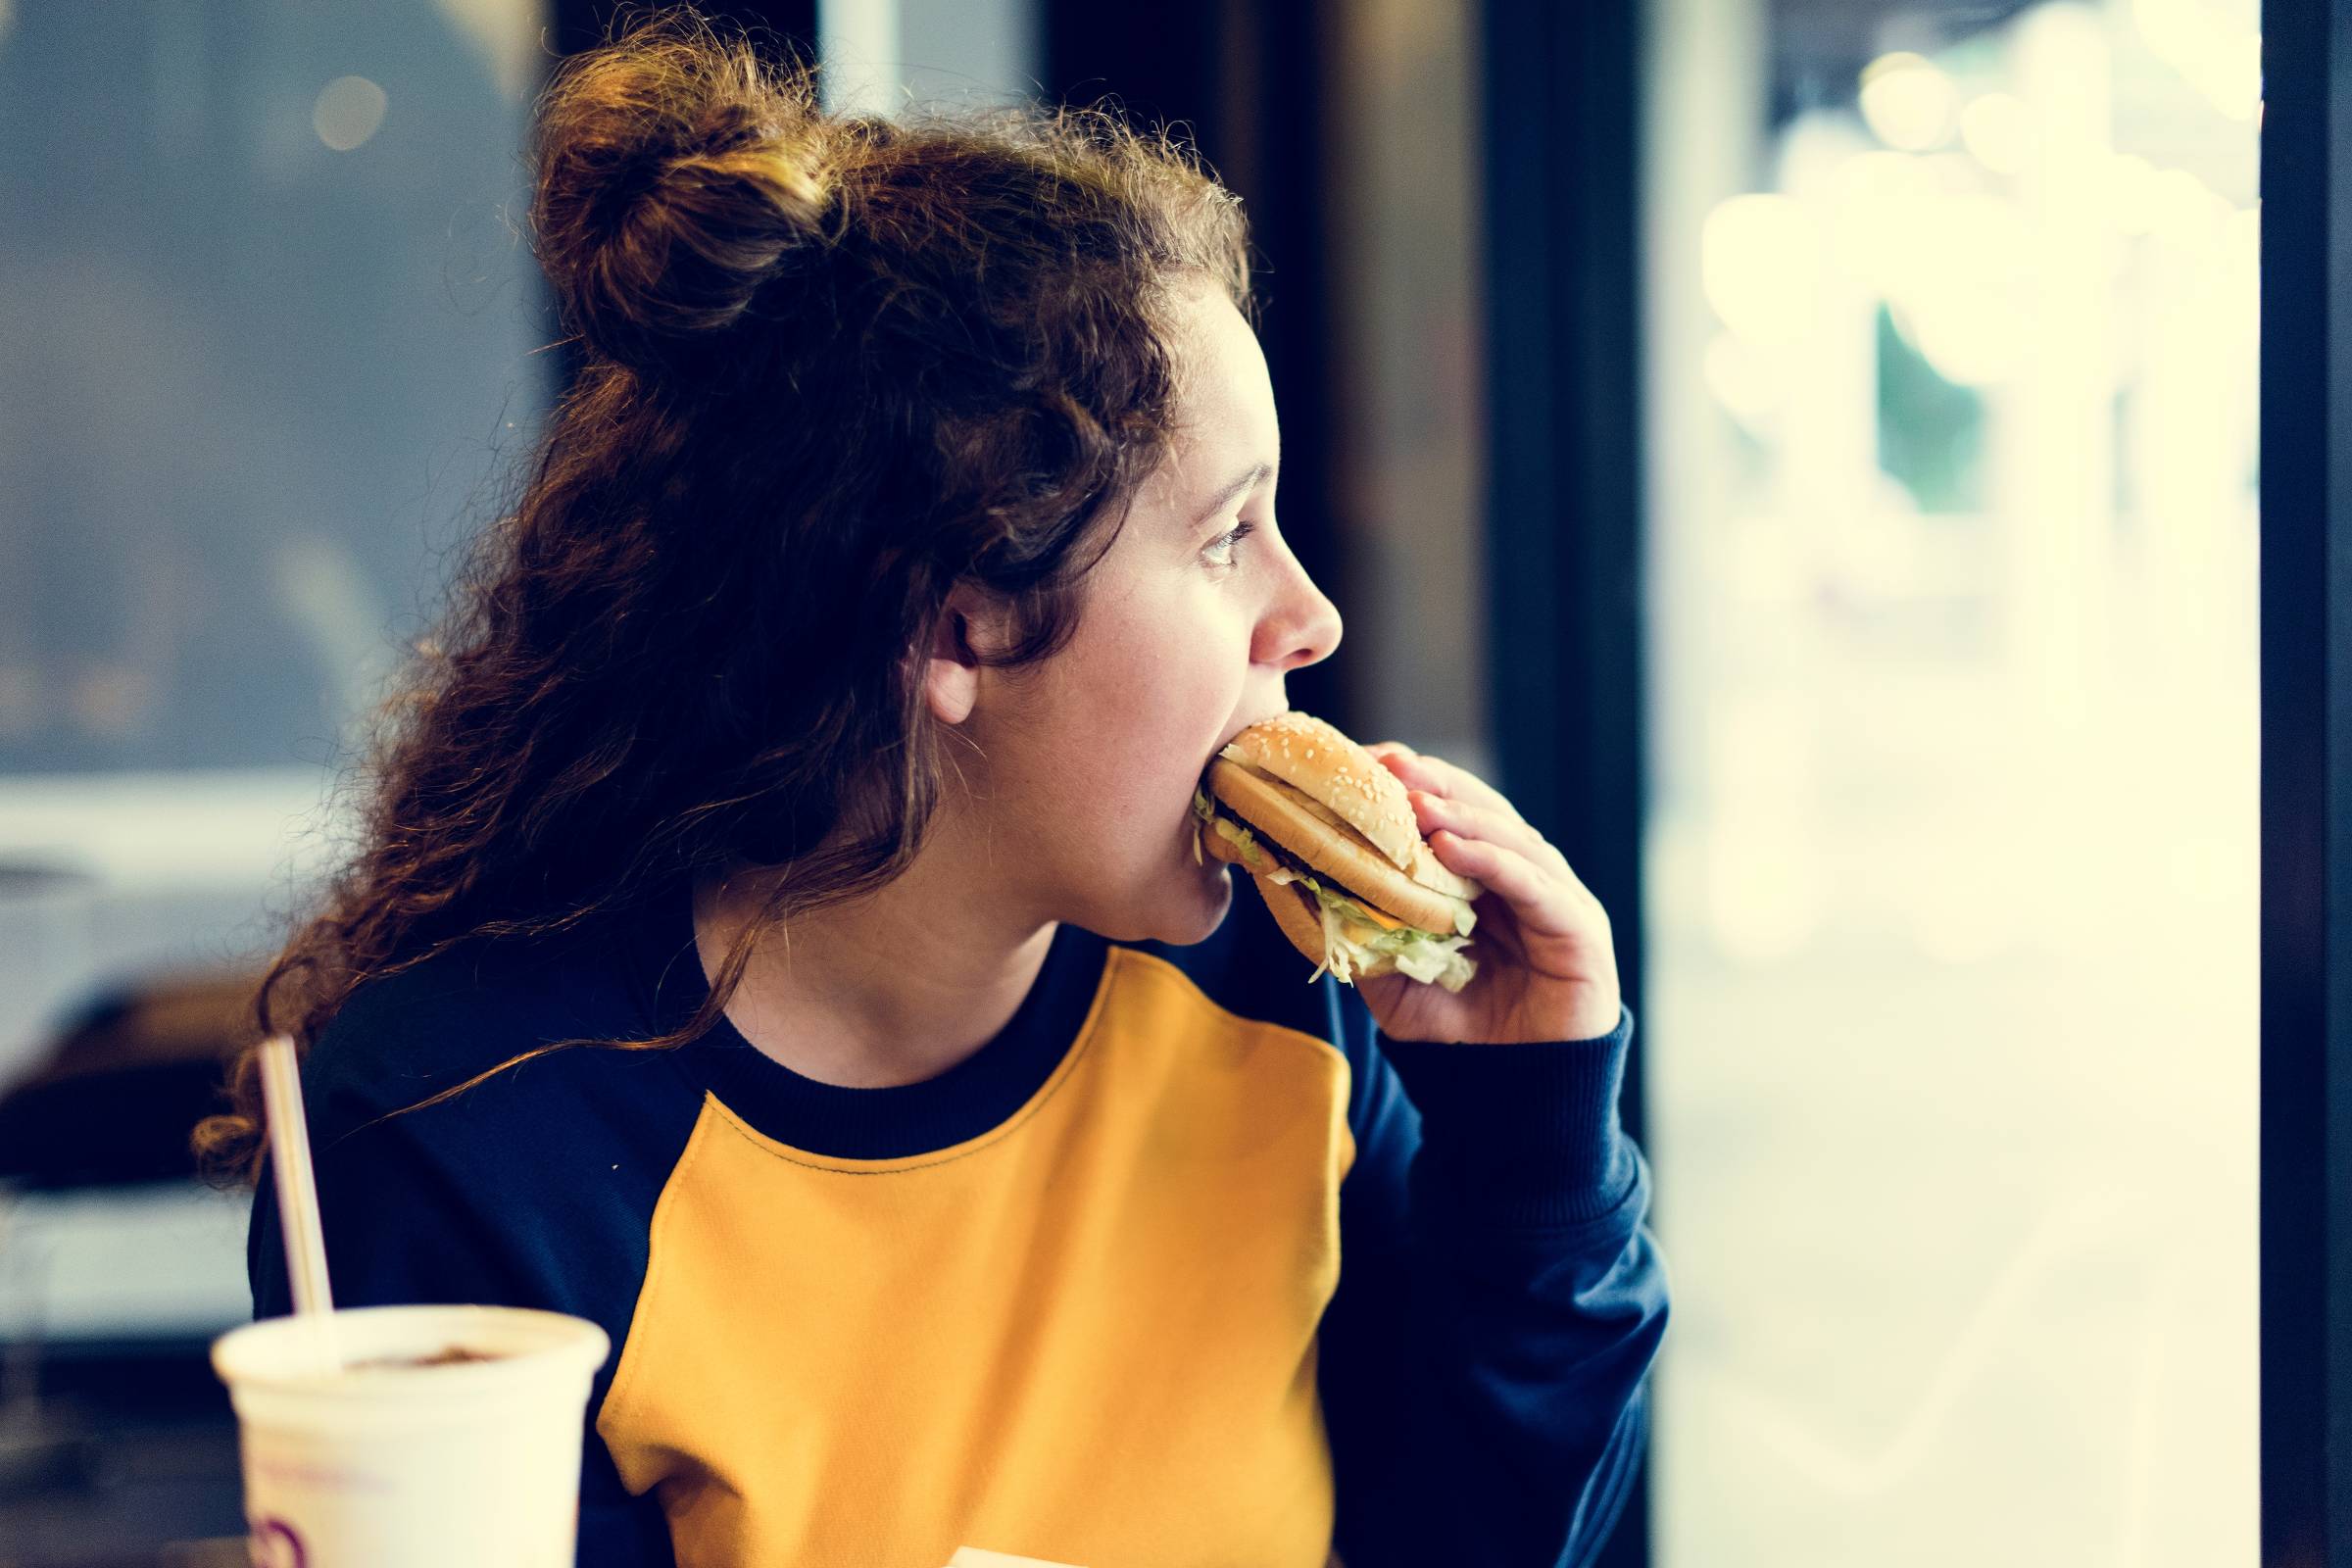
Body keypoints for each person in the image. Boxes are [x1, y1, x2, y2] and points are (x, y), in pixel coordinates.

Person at [201, 11, 1668, 1565]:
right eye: (1229, 534)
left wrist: (1536, 1142)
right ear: (955, 619)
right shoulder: (473, 1141)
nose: (1310, 619)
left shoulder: (1280, 1004)